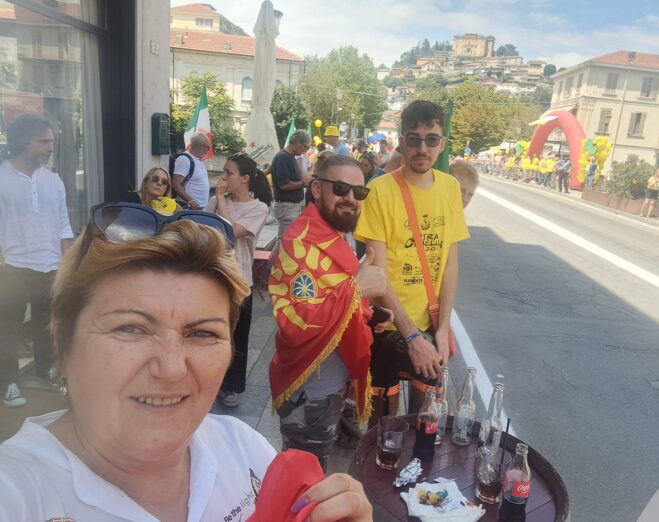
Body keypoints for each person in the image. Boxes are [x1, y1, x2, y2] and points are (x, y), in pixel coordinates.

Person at [0, 208, 372, 521]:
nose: (172, 368)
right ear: (63, 343)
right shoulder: (16, 493)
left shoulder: (244, 448)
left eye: (202, 333)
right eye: (131, 328)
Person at [269, 155, 389, 470]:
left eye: (359, 192)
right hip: (311, 389)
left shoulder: (338, 231)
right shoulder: (299, 243)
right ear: (317, 189)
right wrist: (357, 288)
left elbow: (333, 294)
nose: (350, 198)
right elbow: (298, 323)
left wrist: (370, 312)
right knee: (304, 479)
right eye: (340, 188)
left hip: (333, 381)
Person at [354, 100, 469, 423]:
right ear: (401, 142)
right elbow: (377, 271)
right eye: (414, 139)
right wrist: (412, 337)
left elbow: (450, 264)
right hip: (386, 323)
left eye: (431, 139)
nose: (422, 148)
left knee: (425, 418)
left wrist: (442, 328)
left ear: (442, 143)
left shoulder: (450, 188)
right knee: (383, 423)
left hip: (429, 320)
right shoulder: (379, 191)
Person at [0, 114, 73, 407]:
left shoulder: (54, 181)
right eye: (43, 142)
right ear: (22, 142)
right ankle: (9, 382)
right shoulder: (2, 179)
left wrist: (68, 265)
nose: (50, 148)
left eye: (51, 142)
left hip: (50, 265)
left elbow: (63, 226)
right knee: (8, 328)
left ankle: (45, 371)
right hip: (12, 267)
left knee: (46, 324)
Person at [206, 153, 273, 408]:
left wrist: (220, 199)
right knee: (211, 332)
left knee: (236, 335)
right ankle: (210, 381)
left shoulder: (258, 208)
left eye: (229, 173)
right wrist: (218, 200)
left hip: (239, 280)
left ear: (245, 178)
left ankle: (231, 386)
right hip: (213, 276)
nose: (223, 177)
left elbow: (231, 232)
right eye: (223, 172)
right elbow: (204, 230)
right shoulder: (216, 200)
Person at [271, 130, 312, 240]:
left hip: (290, 206)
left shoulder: (290, 156)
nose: (306, 151)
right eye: (306, 147)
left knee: (285, 239)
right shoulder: (283, 157)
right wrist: (304, 183)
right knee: (285, 240)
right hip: (286, 206)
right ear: (298, 143)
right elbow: (284, 185)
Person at [171, 133, 211, 210]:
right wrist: (191, 201)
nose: (208, 151)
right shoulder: (184, 159)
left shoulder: (198, 159)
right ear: (199, 146)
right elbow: (176, 184)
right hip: (189, 208)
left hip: (200, 207)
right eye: (208, 147)